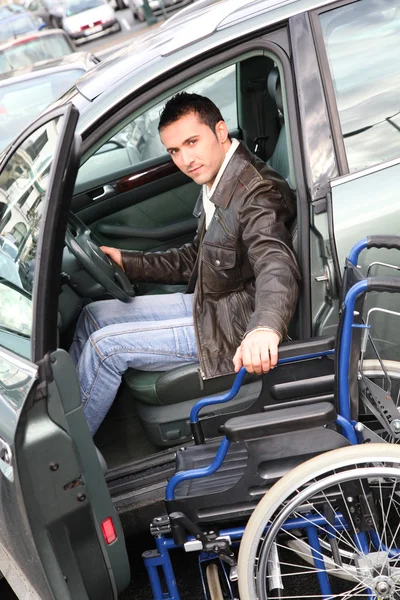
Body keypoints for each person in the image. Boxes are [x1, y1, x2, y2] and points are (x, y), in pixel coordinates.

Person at [70, 92, 300, 436]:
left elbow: (275, 263)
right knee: (93, 315)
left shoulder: (256, 192)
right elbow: (197, 258)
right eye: (175, 150)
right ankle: (62, 411)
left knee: (106, 348)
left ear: (220, 131)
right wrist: (128, 262)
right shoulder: (218, 179)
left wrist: (264, 327)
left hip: (235, 324)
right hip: (214, 302)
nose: (185, 159)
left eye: (192, 142)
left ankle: (63, 452)